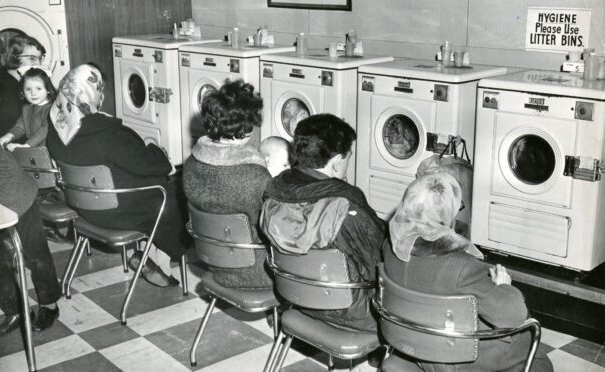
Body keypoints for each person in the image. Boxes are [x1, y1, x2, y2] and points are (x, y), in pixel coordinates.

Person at [384, 173, 553, 372]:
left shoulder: (389, 247)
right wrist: (503, 286)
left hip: (410, 344)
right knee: (536, 354)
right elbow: (512, 316)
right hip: (457, 359)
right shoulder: (460, 266)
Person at [47, 64, 188, 288]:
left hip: (84, 209)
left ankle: (149, 253)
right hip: (117, 213)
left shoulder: (56, 129)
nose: (102, 95)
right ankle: (163, 256)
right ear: (91, 94)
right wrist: (159, 154)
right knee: (171, 189)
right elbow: (150, 165)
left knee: (153, 189)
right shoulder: (107, 133)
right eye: (100, 90)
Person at [261, 113, 385, 332]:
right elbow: (377, 262)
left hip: (293, 295)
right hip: (349, 309)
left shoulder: (273, 192)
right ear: (337, 162)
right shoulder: (345, 205)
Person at [183, 79, 273, 290]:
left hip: (213, 262)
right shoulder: (254, 175)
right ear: (248, 126)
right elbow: (274, 228)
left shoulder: (191, 164)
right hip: (258, 270)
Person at [0, 131, 61, 337]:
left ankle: (50, 305)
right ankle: (16, 310)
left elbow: (4, 168)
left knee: (35, 255)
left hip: (18, 196)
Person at [0, 35, 46, 137]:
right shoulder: (7, 91)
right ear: (14, 58)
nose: (39, 64)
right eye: (32, 58)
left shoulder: (5, 77)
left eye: (40, 59)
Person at [0, 67, 56, 151]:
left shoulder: (51, 108)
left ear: (47, 89)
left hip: (49, 148)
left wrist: (27, 145)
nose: (33, 93)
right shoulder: (27, 108)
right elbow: (20, 126)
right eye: (28, 89)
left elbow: (45, 130)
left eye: (38, 88)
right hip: (32, 147)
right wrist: (10, 135)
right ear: (23, 92)